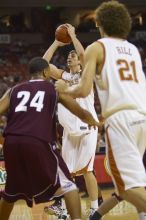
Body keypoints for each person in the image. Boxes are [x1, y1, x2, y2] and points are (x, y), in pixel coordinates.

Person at [55, 1, 146, 220]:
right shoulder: (133, 49)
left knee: (126, 188)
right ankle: (96, 216)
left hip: (120, 118)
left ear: (100, 23)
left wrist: (64, 91)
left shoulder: (98, 47)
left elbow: (84, 88)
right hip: (142, 117)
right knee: (135, 183)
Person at [0, 57, 100, 220]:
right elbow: (78, 111)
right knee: (69, 186)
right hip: (37, 141)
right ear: (46, 72)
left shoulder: (13, 90)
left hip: (11, 143)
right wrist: (94, 121)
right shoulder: (52, 88)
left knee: (10, 192)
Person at [43, 23, 103, 220]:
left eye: (73, 56)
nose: (71, 56)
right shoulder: (63, 75)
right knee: (66, 175)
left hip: (86, 127)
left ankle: (95, 208)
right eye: (68, 55)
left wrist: (74, 36)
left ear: (79, 62)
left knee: (87, 170)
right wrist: (56, 42)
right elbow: (43, 65)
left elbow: (84, 55)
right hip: (69, 131)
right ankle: (65, 210)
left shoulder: (85, 73)